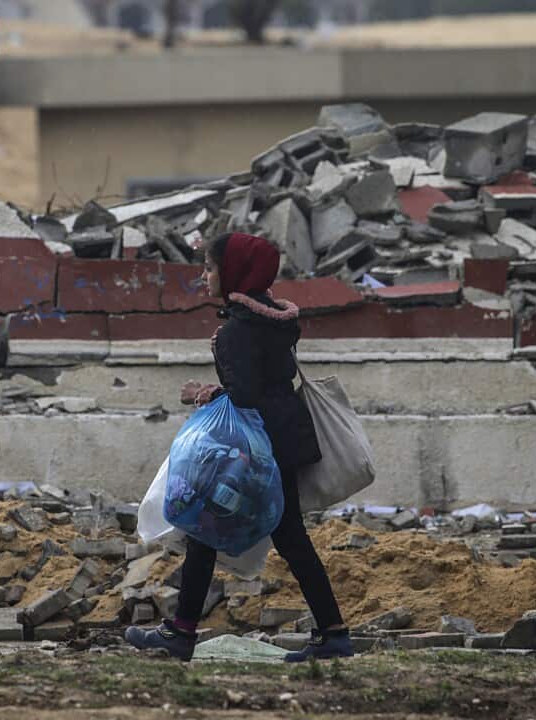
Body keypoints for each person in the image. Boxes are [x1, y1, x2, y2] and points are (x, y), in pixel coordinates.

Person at [126, 232, 352, 663]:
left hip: (255, 450)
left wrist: (203, 393)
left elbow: (244, 397)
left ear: (232, 273)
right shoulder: (275, 322)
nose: (204, 276)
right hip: (284, 439)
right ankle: (332, 633)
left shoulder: (237, 332)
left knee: (205, 528)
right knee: (281, 538)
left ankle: (182, 633)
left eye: (209, 268)